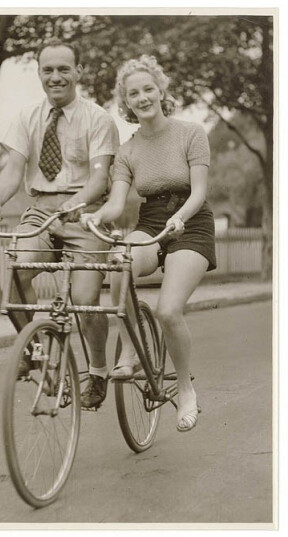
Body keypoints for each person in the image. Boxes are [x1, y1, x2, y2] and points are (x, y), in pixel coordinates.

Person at [0, 38, 120, 409]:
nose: (55, 77)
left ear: (79, 72)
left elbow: (100, 177)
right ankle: (38, 351)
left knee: (85, 300)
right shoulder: (27, 117)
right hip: (40, 211)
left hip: (84, 213)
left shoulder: (99, 119)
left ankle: (99, 371)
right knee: (13, 276)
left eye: (63, 69)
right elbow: (13, 170)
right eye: (48, 70)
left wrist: (77, 204)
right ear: (40, 73)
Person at [81, 55, 216, 431]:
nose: (142, 98)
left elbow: (200, 192)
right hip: (152, 221)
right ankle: (131, 349)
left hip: (191, 222)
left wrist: (180, 219)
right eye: (133, 93)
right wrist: (97, 216)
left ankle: (185, 389)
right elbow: (117, 202)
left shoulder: (191, 133)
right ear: (126, 102)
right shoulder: (127, 150)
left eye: (148, 89)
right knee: (118, 260)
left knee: (169, 311)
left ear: (161, 91)